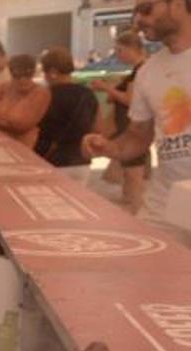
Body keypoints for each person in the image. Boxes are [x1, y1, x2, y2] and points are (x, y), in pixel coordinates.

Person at [85, 0, 191, 238]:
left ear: (177, 4)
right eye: (135, 12)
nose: (137, 20)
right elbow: (138, 136)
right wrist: (109, 147)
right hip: (165, 206)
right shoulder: (147, 73)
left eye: (146, 9)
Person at [90, 30, 150, 213]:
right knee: (129, 173)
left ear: (133, 49)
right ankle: (133, 206)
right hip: (129, 127)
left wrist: (106, 88)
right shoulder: (138, 71)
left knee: (134, 174)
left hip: (132, 128)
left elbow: (130, 100)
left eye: (120, 50)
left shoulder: (141, 70)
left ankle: (136, 210)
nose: (118, 55)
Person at [34, 46, 98, 178]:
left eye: (45, 72)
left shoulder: (44, 96)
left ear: (53, 72)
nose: (44, 76)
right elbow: (98, 128)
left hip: (50, 159)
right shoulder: (88, 95)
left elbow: (31, 126)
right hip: (81, 161)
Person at [0, 54, 50, 149]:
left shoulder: (40, 92)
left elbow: (19, 123)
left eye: (27, 75)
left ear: (33, 73)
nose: (22, 79)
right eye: (17, 75)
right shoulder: (8, 86)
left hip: (23, 146)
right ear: (11, 74)